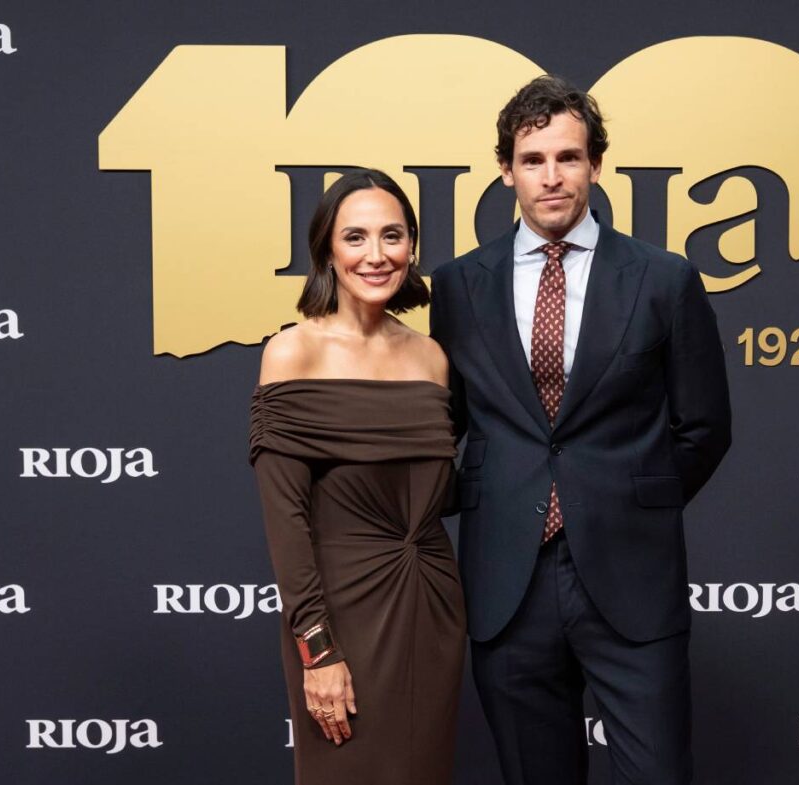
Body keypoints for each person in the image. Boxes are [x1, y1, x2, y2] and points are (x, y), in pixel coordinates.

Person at [429, 76, 732, 784]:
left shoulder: (664, 279)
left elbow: (705, 426)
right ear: (505, 170)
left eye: (568, 157)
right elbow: (446, 424)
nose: (551, 177)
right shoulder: (458, 286)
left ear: (596, 163)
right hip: (508, 580)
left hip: (631, 572)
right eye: (533, 160)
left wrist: (628, 502)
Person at [249, 168, 465, 784]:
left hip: (431, 603)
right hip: (340, 614)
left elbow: (436, 490)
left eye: (392, 236)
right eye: (356, 237)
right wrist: (318, 651)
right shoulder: (294, 351)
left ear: (412, 247)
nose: (377, 255)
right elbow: (286, 520)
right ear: (327, 250)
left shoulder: (431, 358)